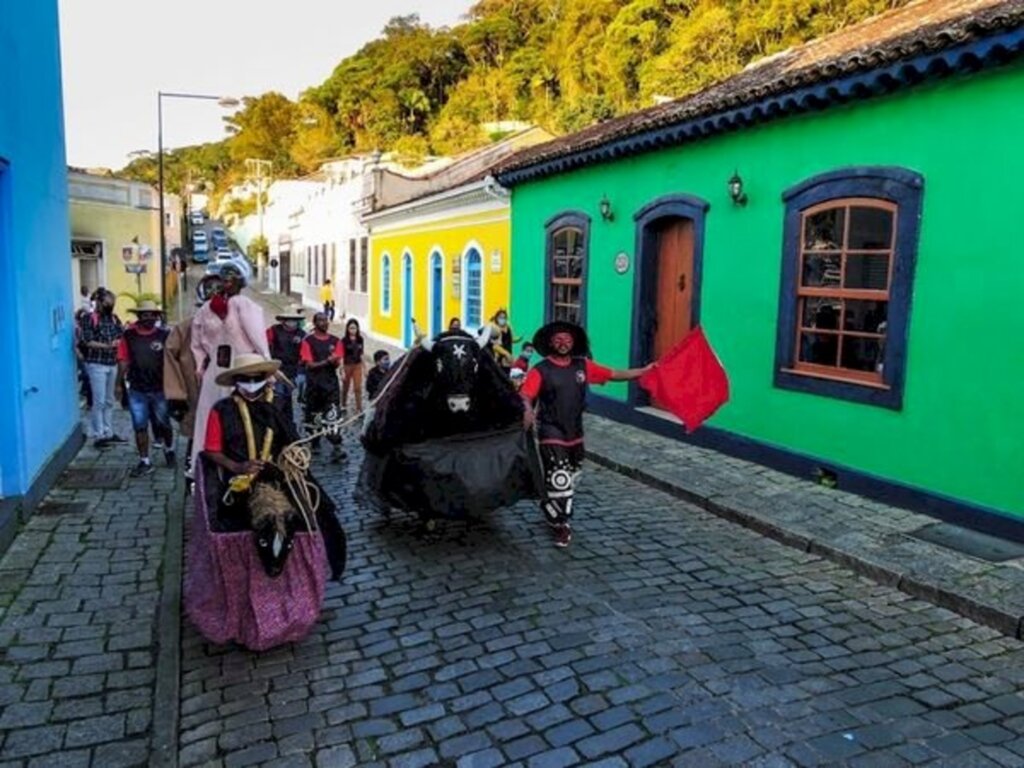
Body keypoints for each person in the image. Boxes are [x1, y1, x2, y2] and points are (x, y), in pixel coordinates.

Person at [203, 353, 346, 580]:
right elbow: (211, 450)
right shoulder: (221, 410)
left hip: (279, 473)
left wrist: (290, 458)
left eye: (256, 378)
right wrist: (237, 465)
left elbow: (291, 439)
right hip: (239, 479)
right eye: (245, 379)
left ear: (264, 378)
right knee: (234, 522)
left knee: (319, 512)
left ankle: (321, 569)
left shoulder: (276, 406)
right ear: (236, 380)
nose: (251, 384)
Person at [520, 321, 653, 548]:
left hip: (575, 434)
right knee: (560, 480)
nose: (563, 343)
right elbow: (525, 395)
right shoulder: (540, 370)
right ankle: (561, 526)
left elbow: (613, 374)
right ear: (551, 342)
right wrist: (527, 409)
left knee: (571, 479)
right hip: (550, 432)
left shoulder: (583, 366)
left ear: (574, 342)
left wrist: (642, 372)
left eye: (567, 339)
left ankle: (550, 507)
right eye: (558, 339)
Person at [190, 264, 269, 473]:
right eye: (224, 280)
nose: (227, 284)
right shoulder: (205, 309)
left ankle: (249, 460)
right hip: (216, 372)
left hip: (243, 370)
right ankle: (208, 468)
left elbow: (258, 337)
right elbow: (197, 343)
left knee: (243, 417)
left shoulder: (243, 305)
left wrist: (266, 364)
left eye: (231, 280)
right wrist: (200, 366)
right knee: (212, 417)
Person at [164, 276, 217, 479]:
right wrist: (176, 394)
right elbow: (171, 358)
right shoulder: (186, 328)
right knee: (197, 440)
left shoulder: (235, 326)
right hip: (196, 395)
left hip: (228, 395)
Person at [116, 300, 175, 476]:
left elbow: (174, 360)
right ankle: (145, 461)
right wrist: (118, 383)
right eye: (144, 315)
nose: (148, 317)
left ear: (157, 316)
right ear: (138, 316)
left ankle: (169, 449)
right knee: (140, 426)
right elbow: (123, 360)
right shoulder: (128, 336)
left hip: (160, 388)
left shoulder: (165, 335)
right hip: (137, 389)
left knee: (164, 423)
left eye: (152, 314)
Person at [80, 288, 126, 447]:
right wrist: (107, 346)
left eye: (111, 302)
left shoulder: (114, 319)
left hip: (112, 363)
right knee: (98, 401)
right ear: (98, 302)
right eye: (106, 302)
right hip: (96, 364)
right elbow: (87, 340)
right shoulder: (89, 318)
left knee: (109, 400)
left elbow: (122, 336)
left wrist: (117, 343)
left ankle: (109, 431)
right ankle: (98, 434)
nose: (109, 305)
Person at [299, 312, 345, 462]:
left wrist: (335, 362)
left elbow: (337, 362)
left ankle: (337, 447)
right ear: (315, 323)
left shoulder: (336, 341)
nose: (324, 323)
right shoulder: (308, 342)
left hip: (331, 385)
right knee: (314, 417)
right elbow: (309, 364)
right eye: (321, 320)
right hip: (314, 385)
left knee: (333, 416)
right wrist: (327, 361)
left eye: (326, 320)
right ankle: (315, 442)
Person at [266, 306, 306, 423]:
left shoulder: (302, 334)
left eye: (294, 319)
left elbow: (305, 354)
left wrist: (301, 372)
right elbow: (264, 346)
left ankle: (287, 424)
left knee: (287, 399)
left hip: (293, 371)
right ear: (283, 319)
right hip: (276, 370)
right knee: (278, 398)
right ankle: (275, 425)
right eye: (289, 319)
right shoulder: (273, 331)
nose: (291, 322)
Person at [340, 319, 365, 413]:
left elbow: (362, 353)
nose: (353, 330)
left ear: (357, 328)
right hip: (347, 365)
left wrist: (365, 368)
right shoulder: (344, 340)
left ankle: (359, 408)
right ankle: (343, 404)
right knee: (345, 386)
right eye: (351, 328)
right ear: (347, 329)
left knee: (358, 387)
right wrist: (341, 369)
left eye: (354, 328)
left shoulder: (360, 339)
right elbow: (341, 355)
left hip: (357, 365)